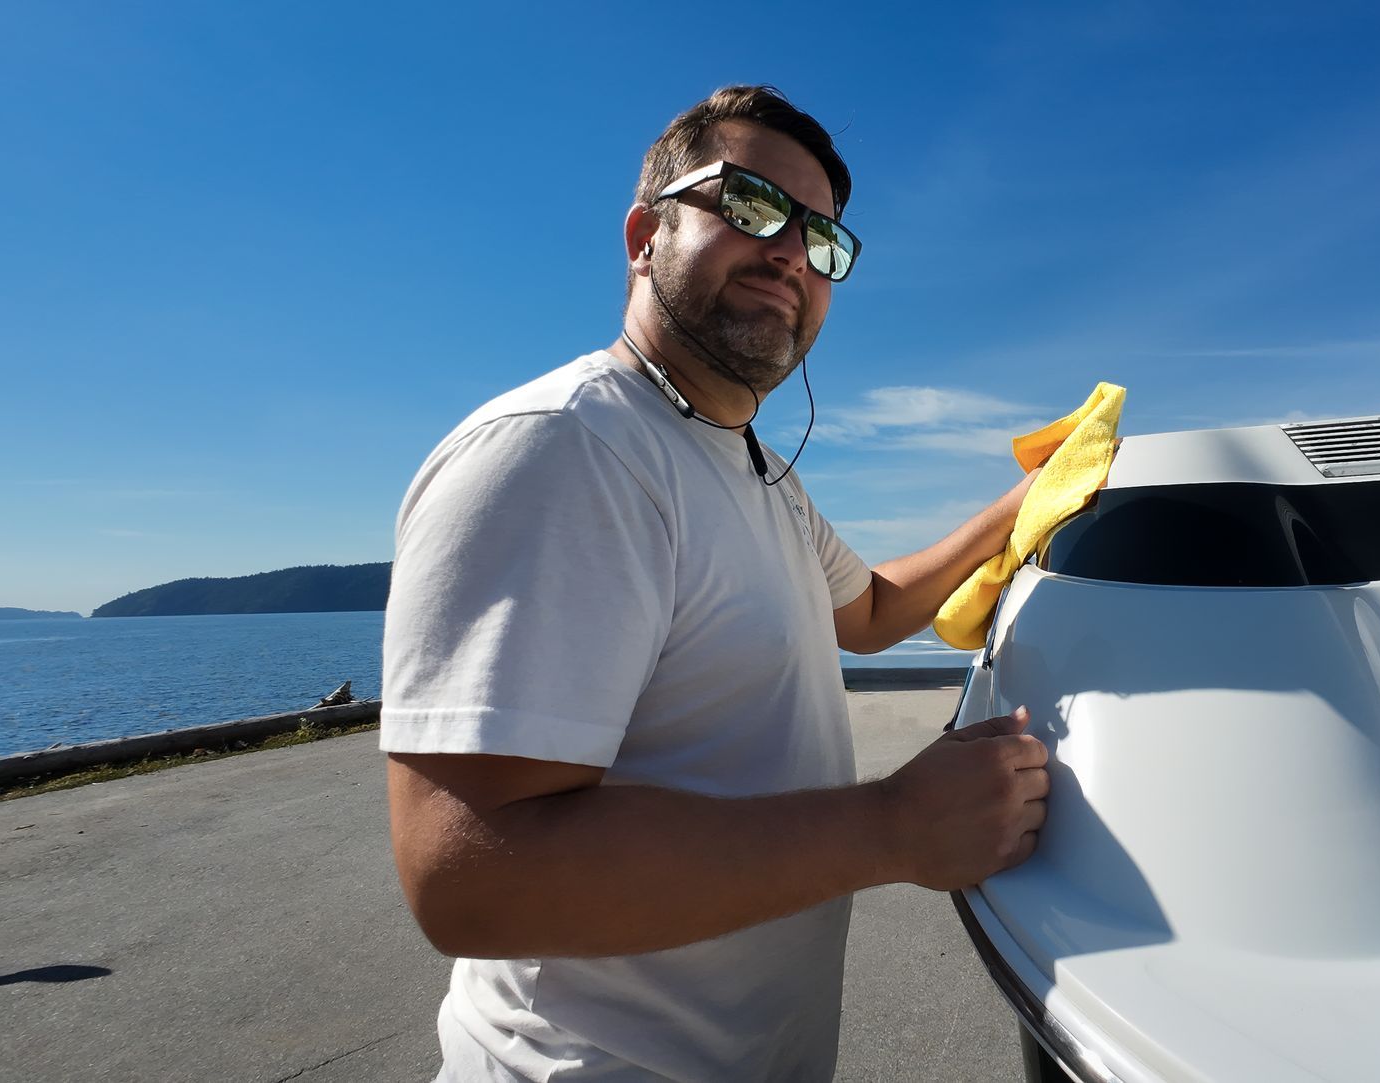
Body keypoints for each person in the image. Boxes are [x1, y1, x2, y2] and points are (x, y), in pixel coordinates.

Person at [380, 85, 1050, 1082]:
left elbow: (867, 612)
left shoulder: (755, 471)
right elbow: (472, 881)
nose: (791, 251)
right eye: (751, 206)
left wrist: (1031, 499)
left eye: (823, 239)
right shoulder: (565, 452)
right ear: (646, 234)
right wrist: (893, 828)